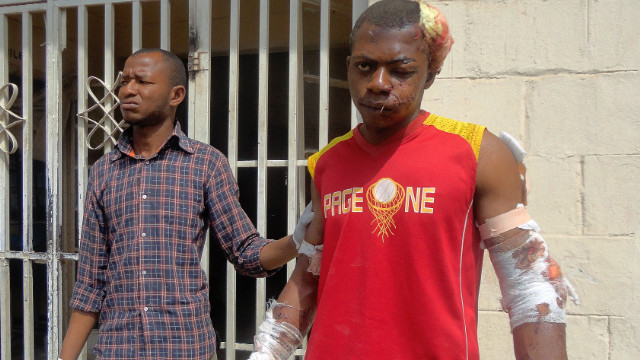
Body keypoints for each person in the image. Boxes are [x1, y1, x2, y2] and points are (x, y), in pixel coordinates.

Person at [249, 1, 578, 359]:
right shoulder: (327, 163)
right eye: (365, 66)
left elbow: (529, 284)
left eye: (401, 70)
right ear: (348, 68)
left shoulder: (478, 152)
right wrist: (266, 353)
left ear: (431, 73)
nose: (378, 84)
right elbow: (307, 278)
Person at [58, 48, 312, 360]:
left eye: (143, 81)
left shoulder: (205, 164)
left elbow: (245, 252)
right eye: (124, 81)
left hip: (185, 347)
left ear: (176, 94)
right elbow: (90, 282)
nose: (129, 90)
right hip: (118, 349)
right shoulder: (103, 172)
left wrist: (297, 240)